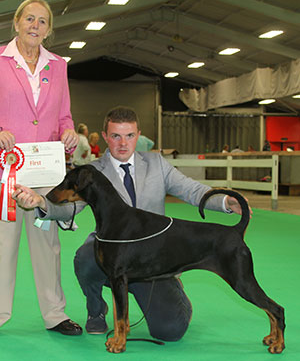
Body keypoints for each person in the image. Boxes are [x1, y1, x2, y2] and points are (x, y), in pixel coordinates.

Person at [13, 106, 250, 342]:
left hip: (153, 258)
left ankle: (173, 285)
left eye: (129, 136)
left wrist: (227, 202)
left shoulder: (157, 163)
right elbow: (69, 208)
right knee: (86, 257)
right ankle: (96, 310)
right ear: (105, 137)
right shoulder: (94, 171)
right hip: (112, 252)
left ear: (138, 135)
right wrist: (41, 202)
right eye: (116, 136)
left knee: (170, 330)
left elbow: (192, 190)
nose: (123, 143)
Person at [0, 0, 82, 335]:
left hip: (46, 169)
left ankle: (55, 314)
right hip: (7, 169)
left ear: (49, 29)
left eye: (42, 21)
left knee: (48, 242)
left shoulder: (59, 65)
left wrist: (69, 131)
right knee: (3, 244)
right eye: (29, 19)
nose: (35, 26)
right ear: (16, 22)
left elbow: (64, 114)